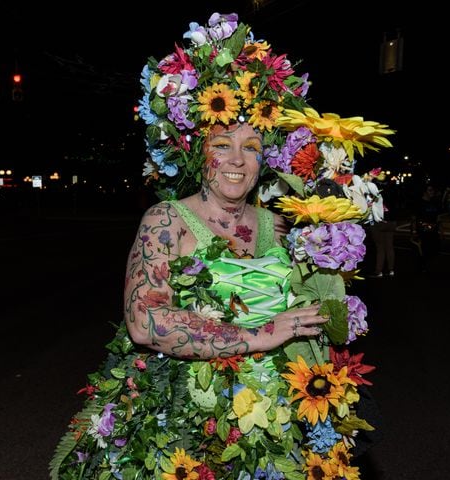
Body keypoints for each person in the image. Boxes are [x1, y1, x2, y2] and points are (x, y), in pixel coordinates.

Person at [50, 12, 393, 480]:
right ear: (198, 151)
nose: (237, 159)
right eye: (222, 143)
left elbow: (311, 311)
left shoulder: (283, 225)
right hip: (193, 422)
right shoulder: (167, 220)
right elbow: (145, 322)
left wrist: (333, 290)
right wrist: (260, 334)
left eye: (251, 146)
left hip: (282, 410)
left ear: (263, 159)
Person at [410, 184, 443, 272]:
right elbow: (414, 218)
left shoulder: (435, 203)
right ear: (424, 192)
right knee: (423, 250)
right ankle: (422, 266)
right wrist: (414, 231)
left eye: (432, 190)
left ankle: (428, 266)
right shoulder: (419, 203)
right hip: (422, 230)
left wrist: (441, 231)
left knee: (434, 249)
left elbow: (438, 218)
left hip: (433, 230)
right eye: (430, 190)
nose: (432, 192)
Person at [369, 180, 398, 278]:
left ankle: (379, 271)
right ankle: (391, 270)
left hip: (380, 222)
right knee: (389, 247)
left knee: (380, 248)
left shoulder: (376, 195)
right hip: (391, 221)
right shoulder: (394, 193)